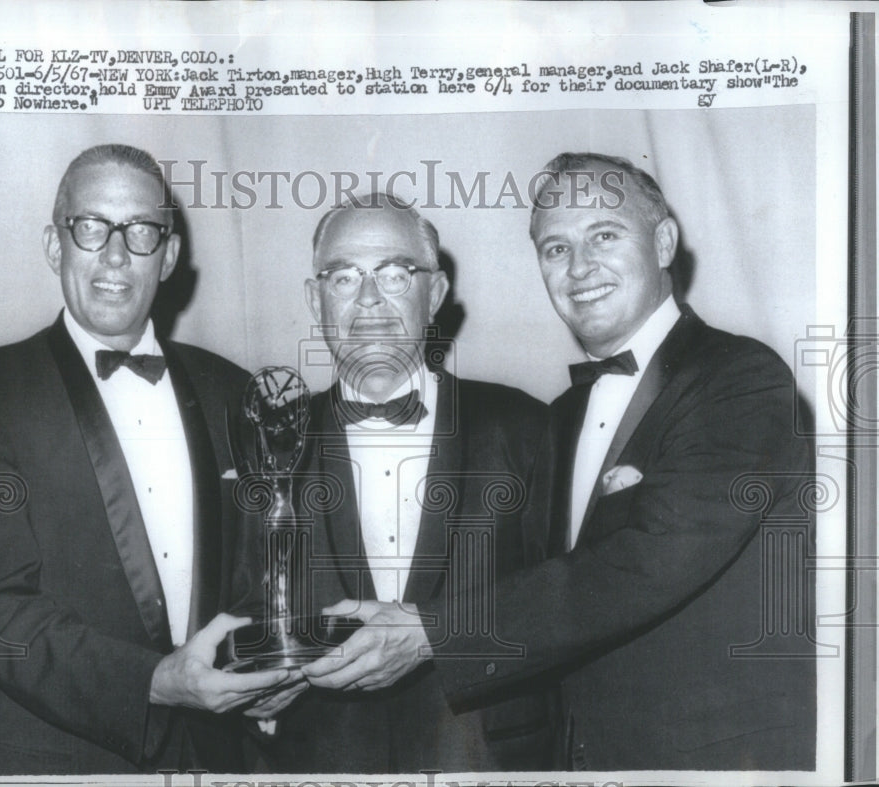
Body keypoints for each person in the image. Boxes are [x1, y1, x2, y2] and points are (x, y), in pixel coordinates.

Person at [418, 153, 817, 770]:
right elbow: (530, 586)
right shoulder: (558, 417)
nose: (579, 268)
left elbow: (650, 557)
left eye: (604, 235)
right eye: (555, 249)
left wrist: (433, 633)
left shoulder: (740, 379)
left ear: (662, 242)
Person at [0, 144, 297, 776]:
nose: (116, 256)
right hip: (54, 765)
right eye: (91, 227)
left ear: (169, 255)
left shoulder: (235, 392)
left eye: (141, 231)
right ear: (54, 245)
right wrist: (154, 681)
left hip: (220, 761)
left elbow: (260, 576)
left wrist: (270, 670)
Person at [243, 193, 560, 772]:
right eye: (343, 277)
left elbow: (563, 602)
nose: (369, 300)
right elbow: (242, 607)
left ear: (434, 294)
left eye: (394, 273)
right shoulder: (269, 436)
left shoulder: (527, 427)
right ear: (315, 300)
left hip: (486, 761)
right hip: (316, 764)